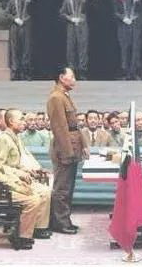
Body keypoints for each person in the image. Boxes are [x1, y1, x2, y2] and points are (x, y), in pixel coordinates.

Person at [0, 107, 50, 249]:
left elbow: (1, 166)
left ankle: (21, 233)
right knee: (33, 200)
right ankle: (20, 236)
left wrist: (17, 176)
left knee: (34, 194)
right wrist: (13, 184)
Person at [0, 109, 52, 239]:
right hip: (10, 181)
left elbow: (15, 163)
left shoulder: (15, 137)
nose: (24, 122)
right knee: (42, 192)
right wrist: (20, 173)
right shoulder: (4, 139)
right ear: (11, 121)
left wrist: (27, 170)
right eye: (21, 119)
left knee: (45, 190)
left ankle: (39, 227)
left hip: (17, 176)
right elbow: (0, 166)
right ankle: (34, 229)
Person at [46, 67, 87, 234]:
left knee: (68, 187)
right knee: (62, 188)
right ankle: (60, 222)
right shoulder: (56, 97)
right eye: (72, 76)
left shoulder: (64, 96)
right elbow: (60, 128)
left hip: (72, 147)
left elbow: (74, 126)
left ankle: (65, 219)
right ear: (62, 78)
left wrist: (83, 145)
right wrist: (67, 152)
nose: (74, 80)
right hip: (65, 149)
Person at [114, 0, 142, 80]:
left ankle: (134, 72)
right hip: (124, 26)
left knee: (135, 49)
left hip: (135, 26)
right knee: (124, 49)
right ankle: (125, 72)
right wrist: (122, 18)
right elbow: (115, 11)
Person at [6, 0, 37, 80]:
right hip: (15, 27)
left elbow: (34, 12)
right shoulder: (12, 1)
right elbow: (7, 13)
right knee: (15, 49)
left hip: (26, 26)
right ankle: (15, 71)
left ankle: (26, 72)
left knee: (26, 49)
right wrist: (14, 19)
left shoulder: (29, 1)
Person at [60, 0, 90, 79]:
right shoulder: (67, 0)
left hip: (82, 26)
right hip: (71, 25)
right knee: (70, 48)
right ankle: (71, 70)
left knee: (83, 48)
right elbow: (62, 13)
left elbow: (92, 8)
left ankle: (82, 71)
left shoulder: (85, 0)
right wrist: (70, 18)